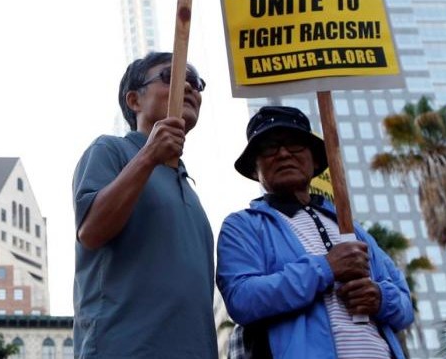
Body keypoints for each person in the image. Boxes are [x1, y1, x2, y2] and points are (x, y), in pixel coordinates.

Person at [216, 105, 413, 359]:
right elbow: (242, 299)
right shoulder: (242, 226)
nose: (284, 153)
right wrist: (325, 268)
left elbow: (405, 305)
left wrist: (380, 298)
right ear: (255, 169)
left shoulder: (351, 228)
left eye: (295, 144)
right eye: (269, 147)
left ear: (316, 160)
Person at [71, 52, 218, 359]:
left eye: (196, 82)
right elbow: (91, 232)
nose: (189, 87)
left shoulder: (189, 189)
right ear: (134, 100)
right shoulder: (111, 151)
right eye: (172, 77)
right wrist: (149, 155)